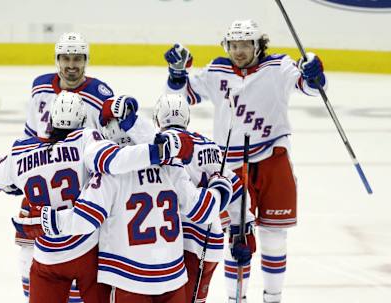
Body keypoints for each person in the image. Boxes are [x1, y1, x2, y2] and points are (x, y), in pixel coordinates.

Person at [0, 92, 193, 303]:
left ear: (50, 121)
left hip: (47, 257)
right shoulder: (86, 140)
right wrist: (159, 151)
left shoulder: (20, 153)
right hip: (86, 252)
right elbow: (114, 162)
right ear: (81, 120)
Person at [163, 20, 328, 303]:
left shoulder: (278, 66)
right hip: (232, 166)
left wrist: (315, 73)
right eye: (233, 45)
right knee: (237, 239)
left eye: (245, 45)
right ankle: (234, 300)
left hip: (273, 157)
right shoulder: (217, 70)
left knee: (274, 237)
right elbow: (184, 95)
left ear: (257, 45)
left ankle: (273, 298)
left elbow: (310, 87)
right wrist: (177, 73)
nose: (238, 51)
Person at [28, 112, 236, 303]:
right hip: (172, 278)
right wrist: (220, 186)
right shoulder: (170, 166)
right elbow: (204, 211)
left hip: (127, 278)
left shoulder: (109, 175)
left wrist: (48, 220)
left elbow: (83, 221)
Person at [19, 32, 115, 302]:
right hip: (40, 182)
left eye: (77, 59)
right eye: (65, 59)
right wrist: (21, 173)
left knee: (80, 254)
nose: (71, 65)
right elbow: (29, 134)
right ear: (57, 60)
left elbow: (110, 145)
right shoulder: (40, 88)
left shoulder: (100, 95)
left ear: (86, 61)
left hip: (82, 192)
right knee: (29, 253)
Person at [153, 93, 255, 303]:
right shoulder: (209, 147)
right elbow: (235, 188)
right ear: (187, 119)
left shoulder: (152, 148)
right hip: (207, 241)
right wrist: (243, 231)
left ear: (156, 119)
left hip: (166, 242)